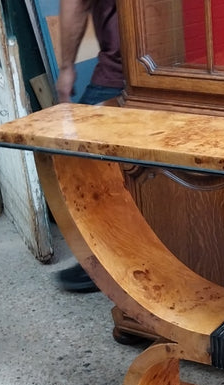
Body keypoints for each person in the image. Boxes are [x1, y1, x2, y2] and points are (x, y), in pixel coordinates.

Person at [55, 0, 124, 292]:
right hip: (188, 71)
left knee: (82, 165)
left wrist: (67, 67)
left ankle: (106, 261)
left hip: (120, 75)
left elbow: (76, 3)